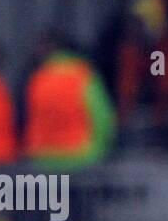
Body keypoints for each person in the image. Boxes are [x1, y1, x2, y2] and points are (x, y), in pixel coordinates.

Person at [22, 32, 116, 168]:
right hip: (80, 156)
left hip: (44, 159)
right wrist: (100, 149)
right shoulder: (82, 74)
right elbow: (102, 118)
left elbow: (30, 117)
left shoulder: (37, 78)